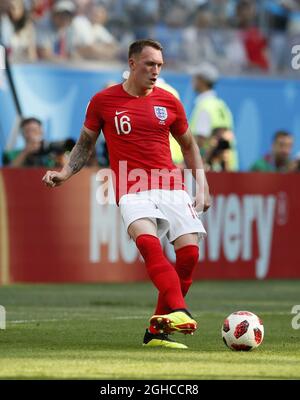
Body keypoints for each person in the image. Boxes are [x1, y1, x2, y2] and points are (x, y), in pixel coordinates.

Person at [42, 39, 211, 350]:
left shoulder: (169, 101)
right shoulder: (103, 101)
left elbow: (189, 146)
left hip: (171, 185)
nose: (156, 71)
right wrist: (64, 173)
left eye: (160, 65)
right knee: (149, 244)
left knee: (189, 255)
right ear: (132, 64)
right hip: (131, 186)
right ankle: (178, 310)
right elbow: (84, 144)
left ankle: (157, 330)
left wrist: (202, 184)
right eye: (150, 64)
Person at [189, 62, 239, 171]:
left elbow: (200, 140)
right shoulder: (221, 105)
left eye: (195, 77)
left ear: (202, 80)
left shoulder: (204, 106)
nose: (192, 81)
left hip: (211, 169)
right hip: (228, 167)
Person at [2, 117, 75, 167]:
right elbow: (7, 173)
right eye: (28, 131)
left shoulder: (49, 155)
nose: (32, 134)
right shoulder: (11, 154)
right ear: (23, 134)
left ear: (42, 132)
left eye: (35, 130)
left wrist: (61, 159)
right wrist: (26, 152)